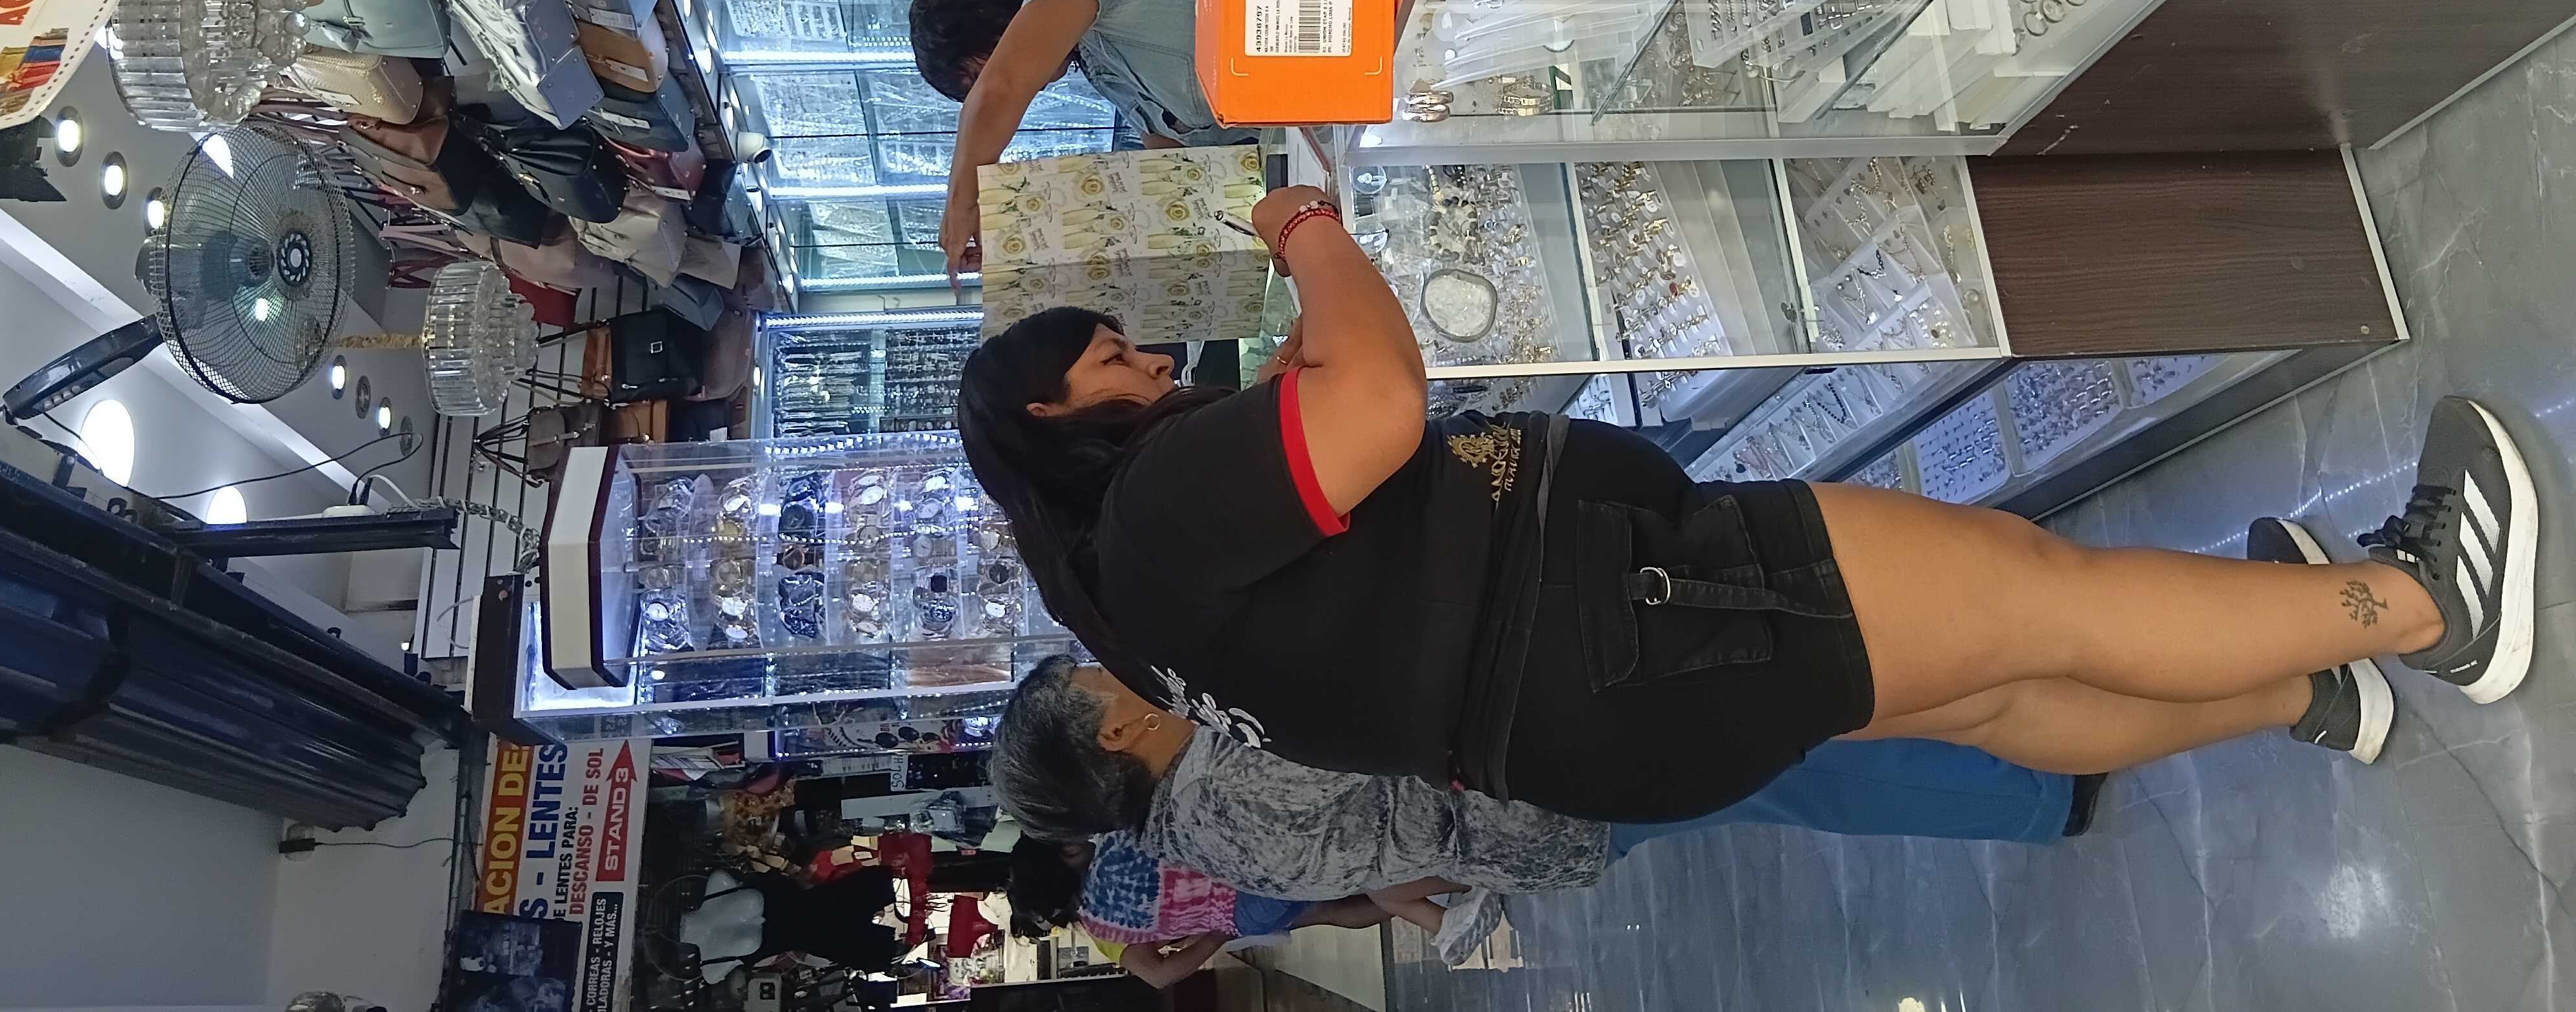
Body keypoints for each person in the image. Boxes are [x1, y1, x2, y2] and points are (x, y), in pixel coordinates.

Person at [956, 183, 2541, 827]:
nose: (1142, 357)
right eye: (1106, 356)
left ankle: (2297, 688)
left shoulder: (1134, 606)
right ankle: (2420, 603)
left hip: (1604, 712)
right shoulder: (1153, 513)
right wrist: (1306, 226)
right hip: (1643, 623)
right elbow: (1373, 398)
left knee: (1997, 698)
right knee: (2035, 595)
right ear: (1050, 416)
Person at [997, 656, 2089, 963]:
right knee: (1793, 773)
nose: (1113, 666)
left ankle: (2022, 770)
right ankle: (2039, 789)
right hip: (1557, 790)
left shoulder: (1193, 814)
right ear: (1113, 735)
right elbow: (1386, 732)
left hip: (1545, 805)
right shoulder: (1220, 787)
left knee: (1788, 769)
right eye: (1096, 678)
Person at [913, 0, 1228, 285]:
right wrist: (1025, 239)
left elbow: (1003, 86)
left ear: (981, 16)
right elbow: (1176, 163)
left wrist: (963, 201)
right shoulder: (1100, 62)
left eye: (976, 74)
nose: (986, 90)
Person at [1005, 833, 1447, 986]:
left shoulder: (1104, 929)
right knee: (1358, 870)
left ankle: (1444, 907)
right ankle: (1452, 883)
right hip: (1248, 868)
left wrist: (1219, 931)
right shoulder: (1115, 843)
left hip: (1246, 914)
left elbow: (1160, 975)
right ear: (1063, 854)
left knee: (1341, 895)